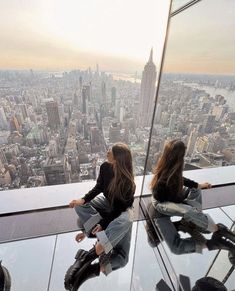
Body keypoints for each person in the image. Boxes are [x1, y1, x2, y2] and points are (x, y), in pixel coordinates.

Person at [64, 142, 136, 290]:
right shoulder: (105, 167)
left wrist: (101, 224)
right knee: (80, 206)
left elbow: (118, 210)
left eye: (110, 151)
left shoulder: (128, 183)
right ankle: (99, 247)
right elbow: (99, 187)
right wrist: (82, 200)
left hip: (120, 210)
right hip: (107, 204)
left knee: (122, 259)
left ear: (117, 158)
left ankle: (91, 266)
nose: (107, 152)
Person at [150, 139, 235, 255]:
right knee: (176, 247)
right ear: (179, 158)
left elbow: (180, 179)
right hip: (161, 207)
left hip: (172, 199)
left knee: (195, 192)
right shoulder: (163, 180)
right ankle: (215, 234)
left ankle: (194, 223)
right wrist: (183, 207)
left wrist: (198, 185)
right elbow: (163, 198)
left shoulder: (169, 168)